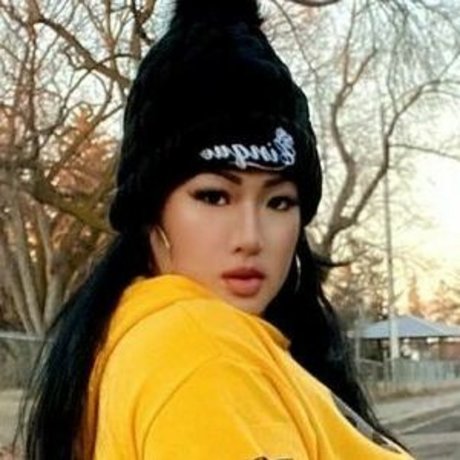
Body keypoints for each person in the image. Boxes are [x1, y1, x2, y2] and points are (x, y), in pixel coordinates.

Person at [21, 0, 414, 458]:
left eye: (279, 202)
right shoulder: (200, 352)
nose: (250, 237)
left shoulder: (138, 337)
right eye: (213, 196)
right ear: (150, 209)